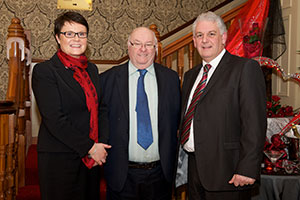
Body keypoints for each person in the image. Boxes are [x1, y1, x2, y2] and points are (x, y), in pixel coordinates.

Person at [179, 11, 267, 200]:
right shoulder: (190, 76)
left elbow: (255, 124)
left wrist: (248, 168)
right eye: (199, 35)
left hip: (228, 172)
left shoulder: (244, 69)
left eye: (211, 34)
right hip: (194, 169)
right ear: (194, 41)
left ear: (224, 37)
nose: (204, 40)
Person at [32, 11, 111, 200]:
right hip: (59, 160)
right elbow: (54, 119)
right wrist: (90, 147)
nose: (76, 39)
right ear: (58, 38)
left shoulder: (91, 69)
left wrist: (101, 145)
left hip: (90, 160)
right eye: (69, 33)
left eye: (81, 34)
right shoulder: (45, 71)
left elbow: (101, 109)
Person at [99, 27, 181, 199]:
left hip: (161, 175)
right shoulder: (107, 80)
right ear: (128, 46)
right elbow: (100, 121)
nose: (143, 49)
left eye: (148, 44)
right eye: (137, 44)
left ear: (156, 49)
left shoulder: (171, 79)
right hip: (122, 175)